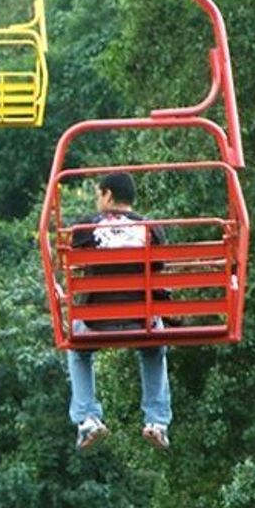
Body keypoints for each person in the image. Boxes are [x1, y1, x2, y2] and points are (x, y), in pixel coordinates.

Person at [65, 172, 172, 452]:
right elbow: (160, 270)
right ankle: (157, 421)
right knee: (154, 346)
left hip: (96, 322)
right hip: (141, 320)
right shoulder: (153, 230)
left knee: (77, 349)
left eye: (99, 194)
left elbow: (64, 252)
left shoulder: (86, 230)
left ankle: (87, 418)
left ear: (108, 195)